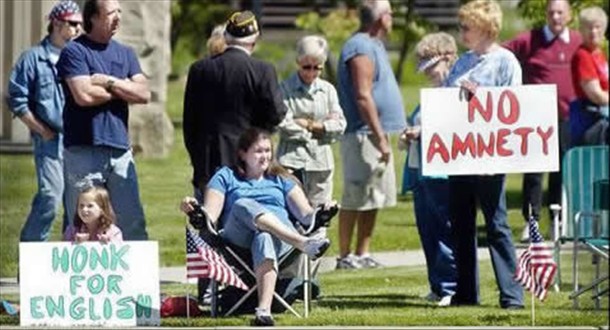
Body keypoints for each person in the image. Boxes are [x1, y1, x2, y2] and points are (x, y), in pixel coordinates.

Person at [180, 128, 336, 327]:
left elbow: (306, 216)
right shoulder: (226, 176)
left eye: (268, 151)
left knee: (263, 237)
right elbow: (209, 216)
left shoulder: (282, 178)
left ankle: (263, 311)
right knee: (242, 204)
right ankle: (303, 243)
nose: (265, 156)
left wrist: (323, 213)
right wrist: (194, 210)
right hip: (238, 242)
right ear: (242, 153)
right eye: (259, 151)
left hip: (279, 243)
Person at [183, 10, 286, 304]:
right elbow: (277, 113)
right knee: (252, 223)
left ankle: (207, 291)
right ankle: (251, 287)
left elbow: (190, 124)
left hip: (208, 161)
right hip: (249, 165)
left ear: (227, 38)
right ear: (254, 41)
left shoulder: (200, 69)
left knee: (207, 225)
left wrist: (198, 161)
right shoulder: (262, 71)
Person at [444, 0, 524, 308]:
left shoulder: (506, 62)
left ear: (485, 28)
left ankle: (512, 295)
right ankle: (466, 294)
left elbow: (514, 108)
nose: (462, 31)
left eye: (467, 26)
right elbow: (446, 104)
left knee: (497, 224)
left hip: (491, 158)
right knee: (461, 224)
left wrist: (482, 96)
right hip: (460, 155)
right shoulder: (462, 62)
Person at [56, 0, 151, 240]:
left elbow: (143, 93)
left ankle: (134, 277)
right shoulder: (74, 51)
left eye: (120, 11)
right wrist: (125, 89)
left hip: (120, 152)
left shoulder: (126, 53)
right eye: (111, 13)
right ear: (93, 18)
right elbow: (84, 95)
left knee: (132, 222)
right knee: (81, 224)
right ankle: (76, 277)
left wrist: (109, 81)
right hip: (83, 150)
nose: (118, 17)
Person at [335, 0, 407, 270]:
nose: (393, 16)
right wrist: (378, 136)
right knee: (355, 196)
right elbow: (363, 95)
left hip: (375, 134)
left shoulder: (374, 44)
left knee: (373, 196)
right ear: (378, 17)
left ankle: (362, 253)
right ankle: (344, 256)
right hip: (363, 134)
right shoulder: (360, 46)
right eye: (389, 12)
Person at [503, 0, 582, 242]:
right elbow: (501, 52)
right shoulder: (529, 40)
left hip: (569, 117)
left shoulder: (577, 41)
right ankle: (532, 221)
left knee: (561, 170)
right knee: (535, 172)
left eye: (560, 12)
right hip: (537, 118)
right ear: (546, 15)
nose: (556, 17)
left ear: (569, 15)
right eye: (551, 13)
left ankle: (556, 220)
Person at [6, 0, 82, 242]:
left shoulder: (80, 56)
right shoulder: (32, 58)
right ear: (57, 24)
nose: (78, 29)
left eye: (80, 25)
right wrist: (40, 129)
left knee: (78, 203)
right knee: (50, 196)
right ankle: (31, 254)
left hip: (78, 140)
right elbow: (15, 98)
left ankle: (71, 260)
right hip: (50, 141)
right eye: (73, 24)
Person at [399, 32, 458, 307]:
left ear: (447, 58)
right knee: (428, 231)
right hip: (421, 170)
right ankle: (437, 284)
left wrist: (422, 132)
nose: (429, 73)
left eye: (432, 66)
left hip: (441, 173)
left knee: (445, 230)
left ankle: (450, 286)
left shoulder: (454, 92)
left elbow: (452, 130)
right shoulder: (430, 95)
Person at [277, 35, 346, 206]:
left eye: (318, 68)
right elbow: (284, 123)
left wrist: (310, 125)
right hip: (291, 161)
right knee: (291, 213)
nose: (312, 72)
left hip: (321, 163)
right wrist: (321, 131)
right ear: (298, 62)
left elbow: (340, 124)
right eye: (306, 67)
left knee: (320, 215)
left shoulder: (328, 90)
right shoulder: (284, 88)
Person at [570, 6, 609, 146]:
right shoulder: (583, 56)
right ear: (581, 30)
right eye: (588, 28)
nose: (593, 32)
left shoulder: (599, 54)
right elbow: (595, 94)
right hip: (591, 122)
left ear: (604, 29)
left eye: (597, 27)